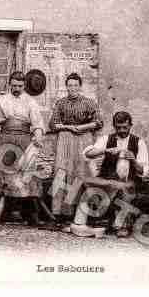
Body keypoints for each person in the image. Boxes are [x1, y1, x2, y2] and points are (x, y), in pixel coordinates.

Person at [70, 111, 149, 238]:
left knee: (126, 188)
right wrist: (105, 150)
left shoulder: (139, 142)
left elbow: (142, 171)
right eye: (118, 127)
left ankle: (121, 226)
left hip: (128, 181)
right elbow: (88, 154)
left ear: (130, 125)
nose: (122, 130)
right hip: (108, 179)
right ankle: (83, 222)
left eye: (125, 127)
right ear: (114, 126)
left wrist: (133, 159)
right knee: (88, 184)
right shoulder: (106, 139)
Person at [0, 71, 45, 226]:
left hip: (24, 140)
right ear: (10, 84)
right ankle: (3, 213)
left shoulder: (30, 102)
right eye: (14, 85)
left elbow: (37, 123)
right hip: (5, 139)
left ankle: (30, 213)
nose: (16, 88)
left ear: (24, 85)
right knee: (5, 174)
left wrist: (38, 137)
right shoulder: (2, 99)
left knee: (27, 175)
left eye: (19, 85)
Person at [46, 73, 103, 229]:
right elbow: (53, 124)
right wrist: (68, 127)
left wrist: (83, 127)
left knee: (83, 173)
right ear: (66, 87)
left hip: (84, 138)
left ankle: (88, 213)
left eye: (75, 85)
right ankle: (60, 213)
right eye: (69, 85)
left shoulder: (89, 103)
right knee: (62, 172)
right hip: (65, 139)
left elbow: (99, 122)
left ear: (80, 86)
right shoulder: (61, 103)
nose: (72, 88)